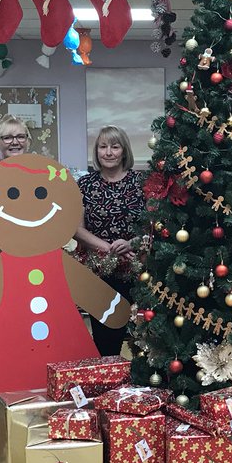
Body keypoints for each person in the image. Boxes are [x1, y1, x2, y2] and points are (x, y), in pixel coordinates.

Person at [73, 126, 145, 356]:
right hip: (99, 272)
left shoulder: (141, 183)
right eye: (103, 147)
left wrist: (131, 243)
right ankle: (108, 387)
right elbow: (76, 229)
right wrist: (109, 249)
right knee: (105, 340)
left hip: (137, 269)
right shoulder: (85, 185)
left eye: (115, 146)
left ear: (124, 151)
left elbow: (154, 225)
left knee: (142, 339)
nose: (109, 152)